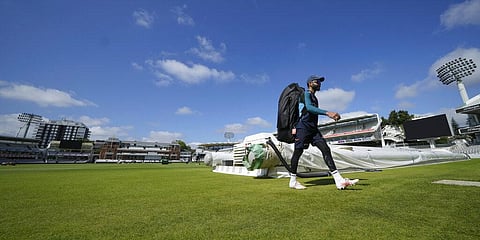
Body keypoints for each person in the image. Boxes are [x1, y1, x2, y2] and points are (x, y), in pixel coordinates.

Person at [289, 75, 359, 190]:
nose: (319, 83)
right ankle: (292, 181)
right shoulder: (306, 94)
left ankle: (339, 180)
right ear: (310, 83)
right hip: (302, 127)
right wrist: (328, 113)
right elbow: (310, 108)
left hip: (313, 129)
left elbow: (312, 111)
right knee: (298, 152)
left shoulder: (315, 98)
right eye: (316, 81)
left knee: (325, 149)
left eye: (320, 82)